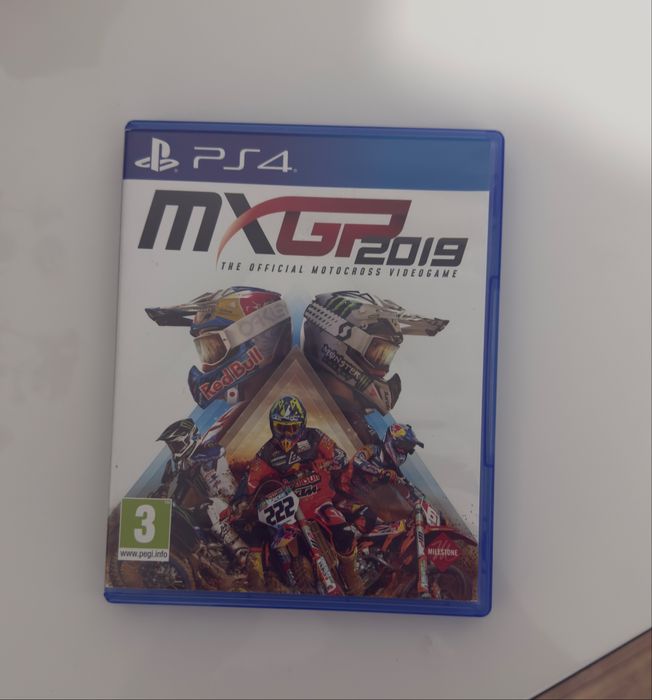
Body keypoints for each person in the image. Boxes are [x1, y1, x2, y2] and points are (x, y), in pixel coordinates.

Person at [234, 395, 365, 595]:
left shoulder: (315, 437)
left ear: (302, 425)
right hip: (288, 508)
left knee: (343, 532)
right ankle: (258, 582)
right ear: (273, 426)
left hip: (320, 501)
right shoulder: (267, 452)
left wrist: (333, 460)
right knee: (259, 533)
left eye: (292, 428)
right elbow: (251, 478)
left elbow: (338, 454)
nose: (287, 434)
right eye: (281, 427)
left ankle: (351, 575)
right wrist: (241, 500)